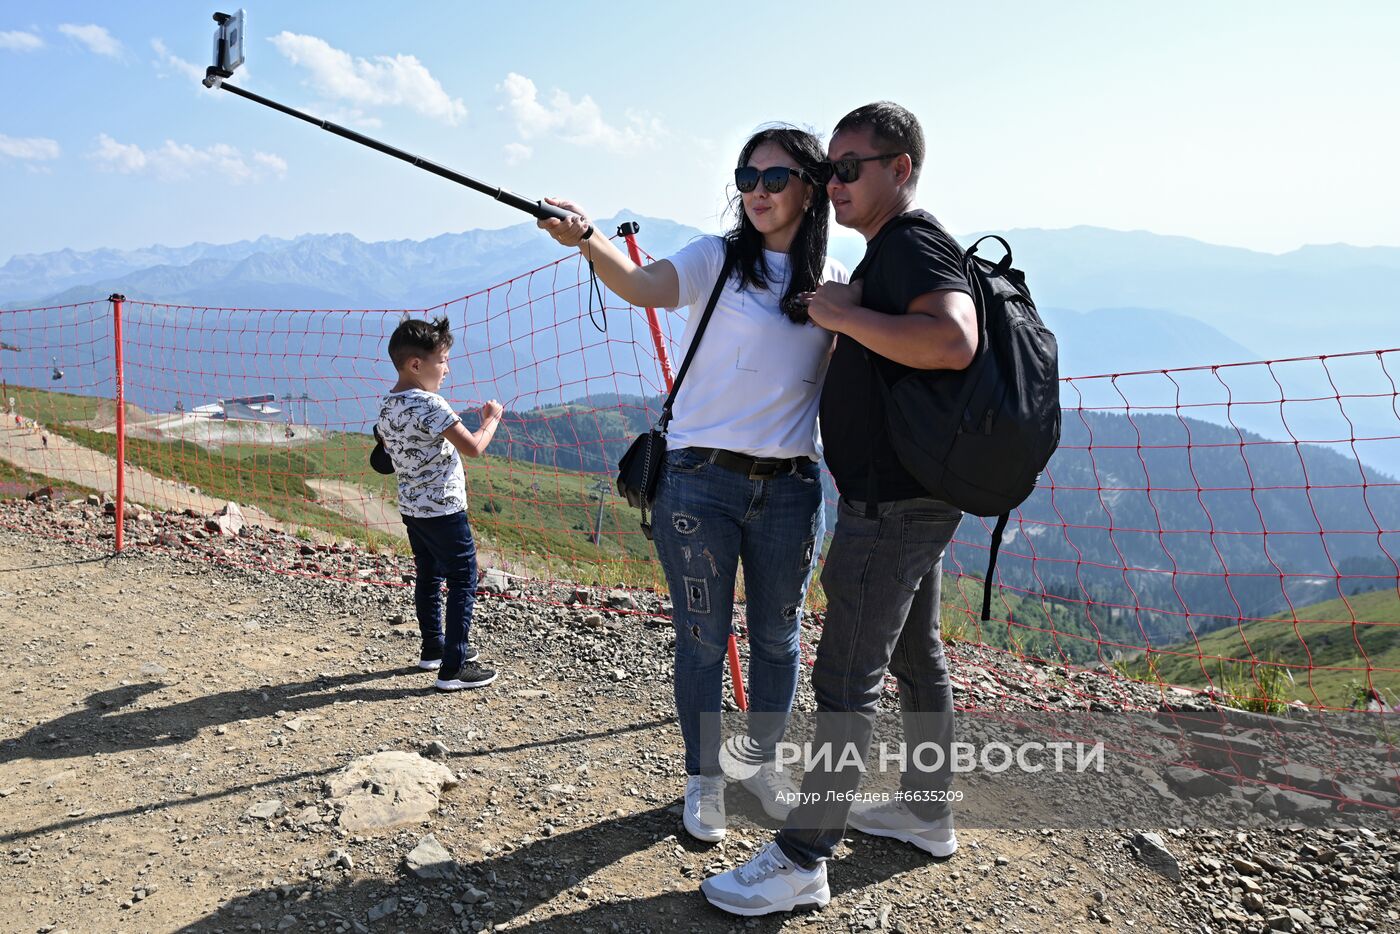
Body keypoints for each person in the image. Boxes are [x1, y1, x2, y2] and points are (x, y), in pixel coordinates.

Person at [702, 102, 980, 915]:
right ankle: (929, 811)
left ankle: (802, 857)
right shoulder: (892, 249)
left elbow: (952, 340)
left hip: (890, 507)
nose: (836, 181)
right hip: (915, 498)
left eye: (851, 167)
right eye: (831, 168)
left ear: (900, 169)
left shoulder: (911, 242)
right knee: (915, 656)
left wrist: (839, 313)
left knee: (845, 678)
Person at [539, 125, 846, 843]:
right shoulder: (715, 261)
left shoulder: (834, 283)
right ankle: (705, 777)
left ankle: (761, 766)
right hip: (699, 482)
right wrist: (587, 237)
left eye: (775, 178)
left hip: (793, 486)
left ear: (811, 186)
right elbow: (641, 286)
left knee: (777, 637)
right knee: (703, 639)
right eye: (747, 177)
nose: (757, 192)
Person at [376, 316, 504, 691]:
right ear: (417, 365)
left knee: (429, 576)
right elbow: (475, 447)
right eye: (443, 360)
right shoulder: (432, 404)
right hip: (445, 509)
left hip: (412, 509)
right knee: (463, 578)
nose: (447, 368)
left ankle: (433, 648)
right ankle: (454, 667)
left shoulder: (387, 406)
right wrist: (492, 419)